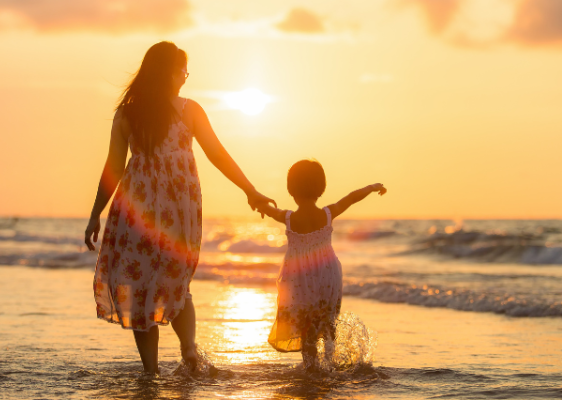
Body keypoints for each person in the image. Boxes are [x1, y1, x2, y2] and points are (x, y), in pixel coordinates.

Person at [84, 41, 275, 374]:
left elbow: (113, 169)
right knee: (175, 281)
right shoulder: (188, 110)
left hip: (136, 211)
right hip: (178, 209)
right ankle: (188, 354)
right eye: (183, 69)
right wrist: (250, 190)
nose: (186, 76)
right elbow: (217, 154)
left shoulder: (128, 112)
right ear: (169, 71)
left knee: (141, 286)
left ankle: (152, 372)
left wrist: (95, 214)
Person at [257, 159, 386, 371]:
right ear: (321, 188)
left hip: (300, 280)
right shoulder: (327, 214)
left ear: (291, 190)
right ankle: (329, 364)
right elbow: (352, 198)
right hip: (328, 276)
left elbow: (268, 210)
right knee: (327, 323)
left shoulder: (289, 218)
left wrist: (257, 203)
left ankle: (311, 368)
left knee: (307, 327)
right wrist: (372, 187)